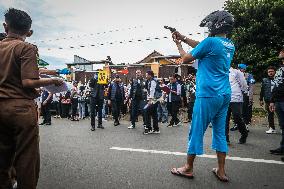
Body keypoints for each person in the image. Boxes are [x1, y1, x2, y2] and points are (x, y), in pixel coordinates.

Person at [0, 8, 63, 189]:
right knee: (27, 158)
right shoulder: (26, 47)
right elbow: (28, 81)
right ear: (29, 32)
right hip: (20, 109)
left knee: (3, 159)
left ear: (5, 26)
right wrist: (53, 80)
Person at [170, 10, 235, 182]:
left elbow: (185, 58)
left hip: (208, 94)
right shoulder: (228, 44)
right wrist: (183, 37)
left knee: (196, 131)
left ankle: (188, 168)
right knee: (220, 133)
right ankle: (221, 171)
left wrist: (178, 44)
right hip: (224, 94)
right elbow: (202, 45)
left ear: (216, 24)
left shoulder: (210, 42)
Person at [225, 67, 248, 144]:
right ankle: (225, 138)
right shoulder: (219, 72)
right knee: (225, 119)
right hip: (224, 99)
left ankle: (244, 133)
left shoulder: (236, 72)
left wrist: (240, 93)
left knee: (237, 117)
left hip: (236, 99)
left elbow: (244, 85)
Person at [269, 47, 284, 157]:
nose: (280, 52)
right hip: (278, 101)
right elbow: (274, 86)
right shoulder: (279, 69)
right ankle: (282, 147)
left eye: (282, 51)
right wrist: (272, 101)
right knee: (283, 125)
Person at [238, 63, 255, 131]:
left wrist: (250, 97)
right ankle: (237, 124)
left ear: (244, 69)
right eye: (239, 68)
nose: (239, 69)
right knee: (238, 111)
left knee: (246, 111)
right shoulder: (235, 75)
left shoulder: (249, 76)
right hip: (237, 96)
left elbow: (251, 86)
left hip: (246, 96)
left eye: (241, 68)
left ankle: (246, 124)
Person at [260, 66, 277, 134]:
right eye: (269, 72)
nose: (270, 73)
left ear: (275, 72)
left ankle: (282, 128)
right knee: (270, 115)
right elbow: (262, 90)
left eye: (272, 71)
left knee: (280, 114)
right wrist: (261, 99)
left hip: (278, 100)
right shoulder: (264, 80)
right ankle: (272, 128)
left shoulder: (279, 79)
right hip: (268, 100)